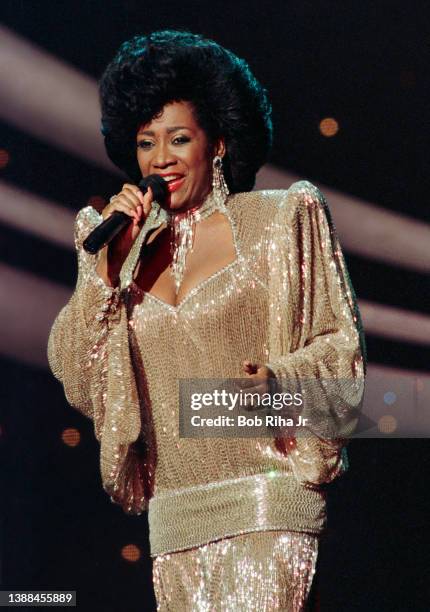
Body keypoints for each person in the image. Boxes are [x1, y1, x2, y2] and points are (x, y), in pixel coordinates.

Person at [47, 30, 366, 611]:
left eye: (178, 138)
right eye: (146, 143)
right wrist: (105, 274)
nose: (160, 158)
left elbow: (339, 352)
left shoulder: (279, 218)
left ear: (217, 142)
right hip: (174, 520)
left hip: (264, 501)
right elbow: (76, 375)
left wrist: (279, 388)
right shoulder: (119, 253)